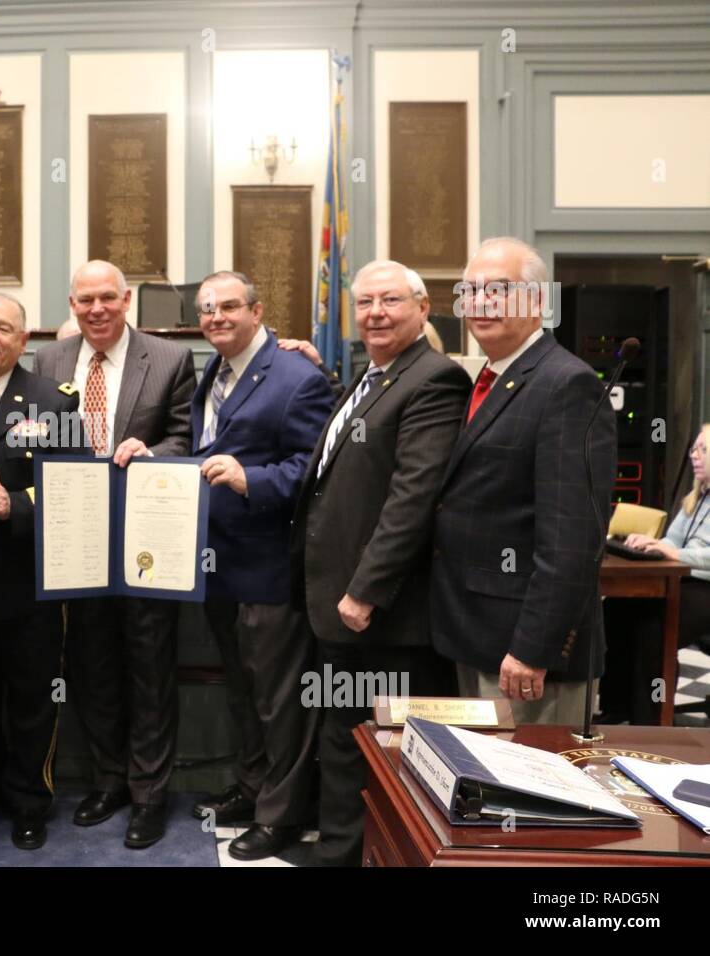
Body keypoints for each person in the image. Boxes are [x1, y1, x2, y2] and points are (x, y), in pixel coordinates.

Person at [291, 260, 471, 866]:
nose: (374, 313)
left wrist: (366, 589)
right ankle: (340, 854)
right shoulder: (371, 377)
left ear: (423, 309)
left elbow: (412, 498)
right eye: (364, 302)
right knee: (344, 739)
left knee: (391, 748)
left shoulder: (433, 379)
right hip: (338, 608)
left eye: (390, 301)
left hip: (383, 615)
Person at [33, 260, 196, 849]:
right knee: (91, 663)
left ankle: (150, 795)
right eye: (85, 300)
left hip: (147, 537)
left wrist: (151, 450)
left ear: (126, 299)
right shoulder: (50, 361)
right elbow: (40, 435)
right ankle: (109, 780)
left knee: (150, 665)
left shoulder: (171, 359)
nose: (96, 309)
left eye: (107, 297)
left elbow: (187, 437)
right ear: (72, 305)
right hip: (75, 536)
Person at [430, 237, 618, 723]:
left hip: (527, 656)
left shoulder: (566, 384)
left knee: (528, 795)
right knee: (477, 790)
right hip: (473, 634)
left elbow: (572, 539)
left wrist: (534, 648)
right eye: (469, 292)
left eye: (498, 289)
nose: (480, 303)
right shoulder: (491, 378)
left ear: (537, 300)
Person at [184, 271, 333, 860]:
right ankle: (253, 788)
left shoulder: (298, 377)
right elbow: (205, 449)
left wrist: (254, 479)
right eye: (206, 310)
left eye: (228, 307)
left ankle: (285, 814)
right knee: (244, 693)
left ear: (257, 310)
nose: (216, 318)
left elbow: (315, 468)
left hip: (270, 567)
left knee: (281, 699)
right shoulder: (214, 372)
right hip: (219, 563)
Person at [0, 292, 81, 851]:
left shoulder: (53, 403)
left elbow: (78, 489)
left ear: (23, 341)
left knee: (32, 697)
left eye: (2, 328)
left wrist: (19, 506)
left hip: (29, 579)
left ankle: (30, 799)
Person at [601, 425, 710, 722]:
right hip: (682, 581)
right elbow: (672, 542)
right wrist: (653, 544)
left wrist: (675, 554)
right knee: (617, 609)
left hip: (704, 588)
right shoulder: (696, 497)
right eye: (694, 449)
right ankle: (616, 708)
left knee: (653, 630)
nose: (694, 456)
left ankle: (650, 720)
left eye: (703, 450)